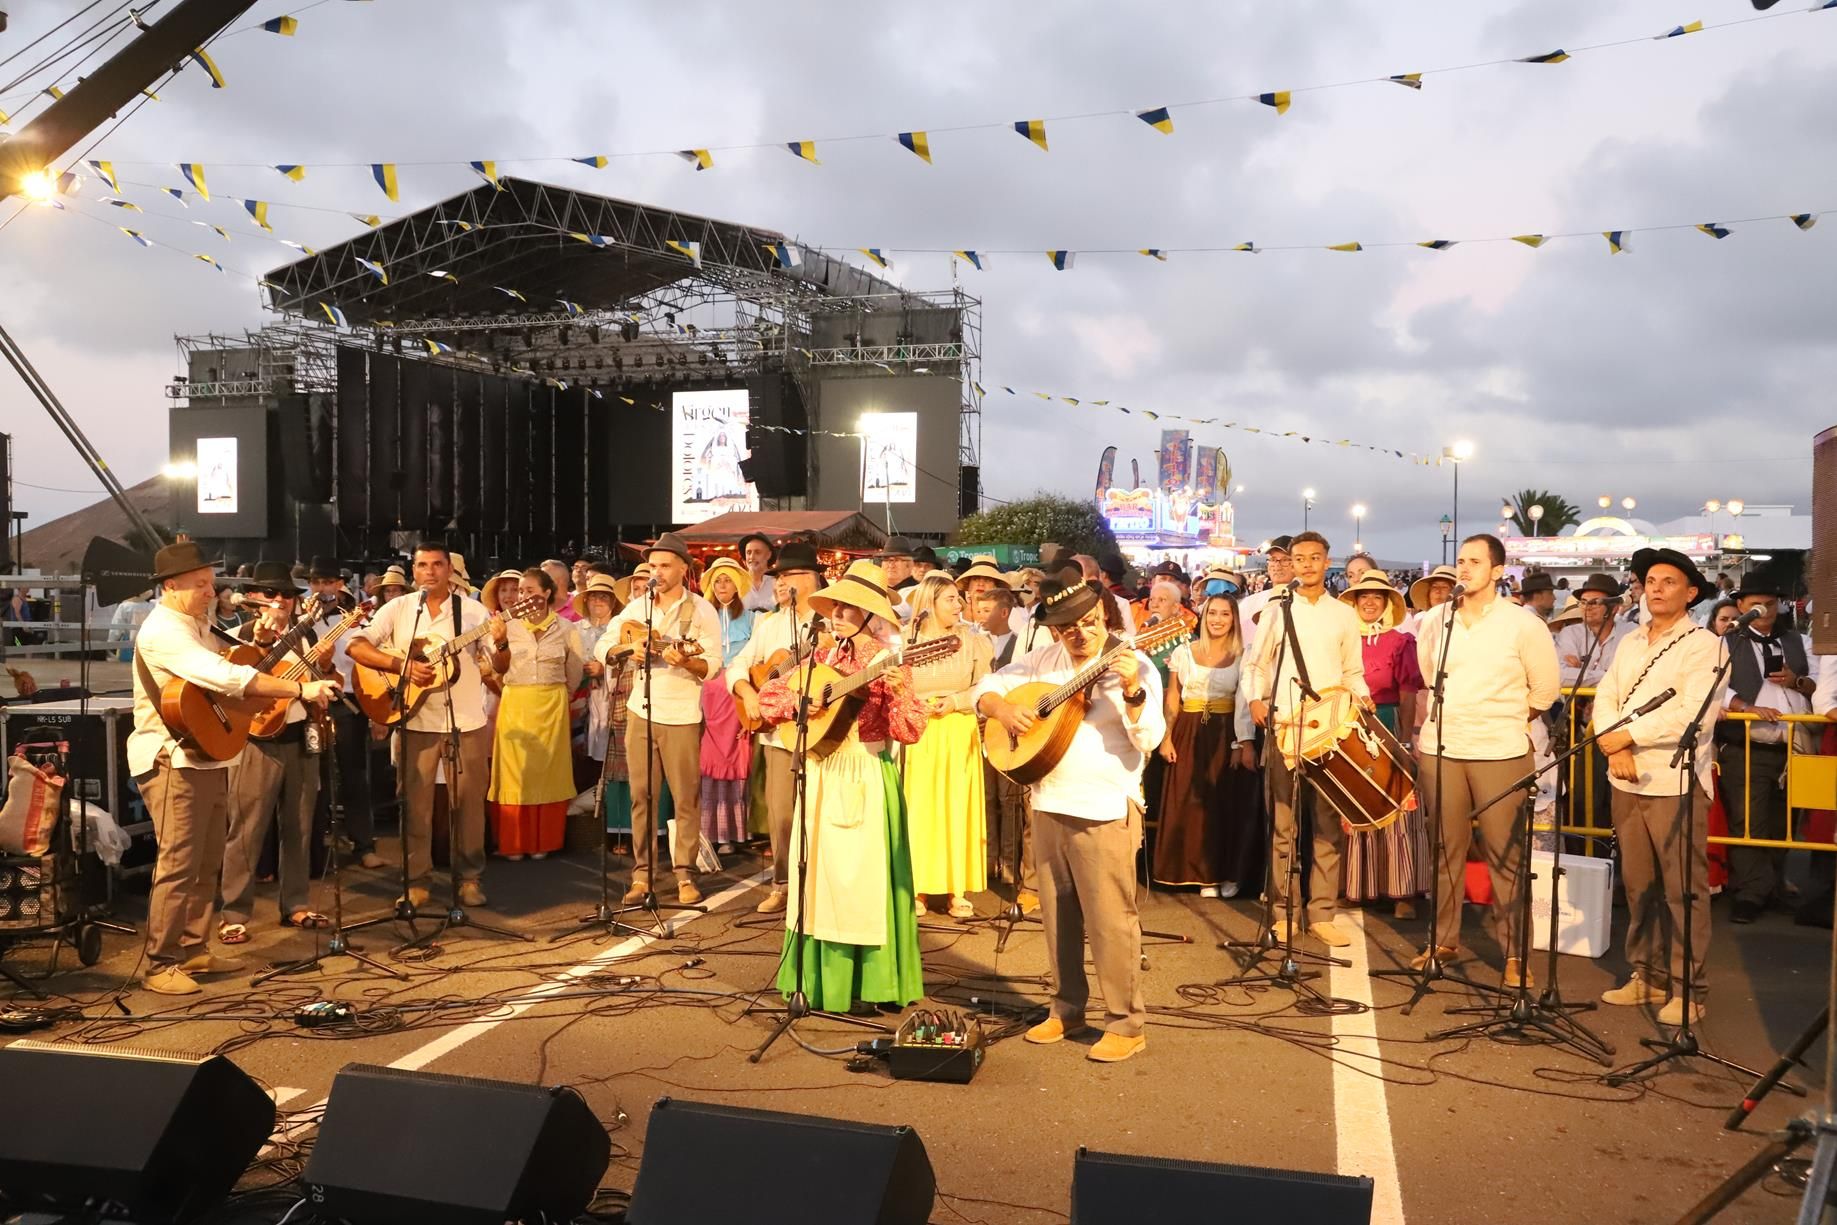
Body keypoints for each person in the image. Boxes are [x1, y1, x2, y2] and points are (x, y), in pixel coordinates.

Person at [130, 543, 340, 994]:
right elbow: (227, 678)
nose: (211, 591)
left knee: (205, 860)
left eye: (211, 582)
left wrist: (263, 642)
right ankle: (160, 961)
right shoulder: (164, 630)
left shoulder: (198, 623)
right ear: (171, 586)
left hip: (203, 752)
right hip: (171, 758)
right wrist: (300, 690)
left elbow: (237, 660)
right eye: (201, 584)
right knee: (179, 862)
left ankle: (192, 947)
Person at [978, 580, 1165, 1064]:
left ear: (1105, 616)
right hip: (1047, 800)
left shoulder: (1135, 663)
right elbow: (989, 686)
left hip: (1104, 807)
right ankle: (1066, 1010)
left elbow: (1148, 739)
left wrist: (1132, 691)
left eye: (1088, 623)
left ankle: (1126, 1024)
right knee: (1057, 916)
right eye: (1066, 627)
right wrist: (1003, 708)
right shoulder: (1044, 661)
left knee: (1109, 922)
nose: (1079, 634)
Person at [757, 561, 926, 1012]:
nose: (838, 613)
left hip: (864, 770)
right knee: (819, 879)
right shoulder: (825, 657)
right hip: (820, 770)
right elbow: (769, 698)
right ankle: (817, 978)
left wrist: (899, 692)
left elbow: (910, 730)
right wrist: (804, 700)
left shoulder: (886, 662)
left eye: (851, 608)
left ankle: (870, 982)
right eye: (836, 605)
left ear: (871, 615)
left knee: (858, 882)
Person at [1414, 534, 1561, 985]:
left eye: (1475, 561)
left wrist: (1506, 715)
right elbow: (1428, 673)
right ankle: (1444, 939)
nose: (1464, 568)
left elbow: (1546, 690)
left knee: (1505, 854)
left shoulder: (1523, 624)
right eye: (1460, 560)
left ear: (1498, 571)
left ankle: (1516, 954)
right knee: (1444, 849)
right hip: (1442, 747)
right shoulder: (1438, 619)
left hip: (1500, 750)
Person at [1594, 548, 1727, 1025]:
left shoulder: (1705, 645)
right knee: (1639, 885)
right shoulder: (1629, 641)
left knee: (1682, 891)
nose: (1655, 588)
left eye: (1668, 581)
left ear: (1691, 593)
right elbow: (1606, 695)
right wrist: (1617, 748)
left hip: (1675, 781)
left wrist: (1627, 735)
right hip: (1625, 777)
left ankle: (1688, 988)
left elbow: (1691, 712)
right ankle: (1646, 976)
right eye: (1650, 580)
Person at [349, 542, 498, 911]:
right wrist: (399, 665)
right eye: (422, 566)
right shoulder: (399, 609)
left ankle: (469, 878)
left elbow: (501, 665)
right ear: (413, 571)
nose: (429, 572)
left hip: (466, 722)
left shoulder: (474, 612)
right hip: (415, 721)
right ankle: (417, 881)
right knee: (415, 806)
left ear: (449, 570)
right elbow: (356, 646)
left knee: (469, 806)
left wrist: (504, 640)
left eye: (436, 565)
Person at [1244, 531, 1368, 949]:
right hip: (1285, 727)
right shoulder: (1276, 610)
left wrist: (1359, 698)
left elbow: (1353, 671)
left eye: (1315, 558)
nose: (1308, 565)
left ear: (1327, 561)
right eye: (1300, 559)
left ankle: (1322, 912)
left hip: (1331, 731)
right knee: (1284, 823)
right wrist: (1256, 701)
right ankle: (1283, 912)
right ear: (1291, 565)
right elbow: (1255, 664)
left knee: (1328, 825)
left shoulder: (1344, 614)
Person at [600, 533, 721, 905]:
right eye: (653, 566)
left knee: (685, 796)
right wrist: (629, 648)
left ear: (684, 568)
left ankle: (685, 872)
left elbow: (713, 665)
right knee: (642, 795)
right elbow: (603, 645)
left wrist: (687, 660)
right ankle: (643, 874)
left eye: (665, 565)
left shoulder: (701, 611)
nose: (658, 572)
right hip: (641, 710)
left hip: (683, 713)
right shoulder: (638, 609)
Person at [219, 562, 328, 943]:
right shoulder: (235, 637)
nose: (280, 600)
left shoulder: (306, 636)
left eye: (286, 594)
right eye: (271, 594)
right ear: (254, 599)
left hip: (300, 733)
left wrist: (326, 681)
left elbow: (313, 681)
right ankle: (233, 912)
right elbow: (230, 688)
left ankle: (296, 904)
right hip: (256, 739)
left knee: (299, 825)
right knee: (246, 828)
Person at [726, 540, 826, 914]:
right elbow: (738, 664)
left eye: (790, 575)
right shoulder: (770, 623)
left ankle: (819, 885)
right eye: (779, 576)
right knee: (781, 812)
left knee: (820, 810)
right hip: (775, 731)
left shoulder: (829, 623)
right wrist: (747, 693)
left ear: (813, 578)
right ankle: (782, 883)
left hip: (820, 730)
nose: (783, 583)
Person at [1719, 565, 1817, 923]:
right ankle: (1750, 891)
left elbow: (1820, 684)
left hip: (1794, 745)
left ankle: (1772, 885)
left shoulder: (1798, 641)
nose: (1766, 611)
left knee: (1784, 819)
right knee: (1748, 819)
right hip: (1747, 743)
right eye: (1758, 605)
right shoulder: (1724, 643)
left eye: (1772, 604)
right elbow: (1713, 690)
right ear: (1742, 604)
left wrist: (1797, 681)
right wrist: (1746, 707)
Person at [1153, 591, 1257, 897]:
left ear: (1234, 620)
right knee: (1188, 802)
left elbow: (1243, 700)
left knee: (1223, 803)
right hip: (1189, 729)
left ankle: (1225, 872)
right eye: (1213, 613)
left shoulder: (1243, 654)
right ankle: (1196, 874)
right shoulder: (1184, 652)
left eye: (1225, 614)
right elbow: (1173, 696)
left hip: (1227, 731)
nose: (1218, 620)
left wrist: (1241, 743)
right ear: (1204, 615)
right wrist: (1167, 735)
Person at [1339, 569, 1428, 918]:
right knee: (1354, 803)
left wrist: (1404, 738)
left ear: (1387, 603)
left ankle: (1402, 890)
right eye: (1364, 596)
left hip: (1386, 724)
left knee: (1398, 804)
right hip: (1348, 727)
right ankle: (1359, 886)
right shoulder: (1342, 640)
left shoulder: (1400, 642)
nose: (1370, 602)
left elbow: (1408, 693)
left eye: (1377, 596)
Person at [905, 573, 994, 919]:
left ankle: (957, 888)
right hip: (919, 732)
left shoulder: (973, 641)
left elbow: (986, 686)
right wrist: (915, 705)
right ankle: (919, 887)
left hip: (958, 730)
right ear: (929, 604)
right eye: (951, 600)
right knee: (921, 810)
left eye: (959, 599)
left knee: (957, 808)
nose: (959, 605)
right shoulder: (906, 641)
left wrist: (955, 701)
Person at [488, 567, 584, 861]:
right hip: (516, 701)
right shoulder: (508, 626)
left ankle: (545, 840)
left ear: (546, 593)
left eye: (529, 590)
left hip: (553, 703)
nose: (522, 596)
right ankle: (514, 842)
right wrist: (501, 641)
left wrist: (564, 696)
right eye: (520, 591)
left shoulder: (567, 629)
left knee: (548, 772)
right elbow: (498, 669)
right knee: (516, 773)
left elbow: (575, 671)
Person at [302, 557, 385, 870]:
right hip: (308, 702)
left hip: (349, 701)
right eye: (316, 583)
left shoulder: (356, 619)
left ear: (340, 584)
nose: (322, 589)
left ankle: (364, 844)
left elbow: (368, 662)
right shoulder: (301, 617)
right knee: (317, 779)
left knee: (354, 775)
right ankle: (317, 850)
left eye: (328, 583)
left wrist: (377, 711)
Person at [699, 556, 757, 855]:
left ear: (738, 585)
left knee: (737, 757)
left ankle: (735, 833)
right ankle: (711, 832)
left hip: (736, 692)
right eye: (717, 580)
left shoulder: (753, 619)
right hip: (708, 691)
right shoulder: (701, 617)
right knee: (709, 760)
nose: (722, 585)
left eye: (727, 580)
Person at [1555, 574, 1630, 689]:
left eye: (1595, 602)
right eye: (1583, 602)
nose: (1587, 607)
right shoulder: (1570, 633)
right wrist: (1611, 676)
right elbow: (1561, 675)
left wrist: (1580, 672)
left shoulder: (1630, 633)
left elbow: (1631, 675)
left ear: (1614, 608)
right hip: (1577, 705)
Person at [1238, 536, 1294, 645]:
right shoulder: (1249, 603)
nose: (1277, 565)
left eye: (1285, 560)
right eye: (1273, 559)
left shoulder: (1306, 603)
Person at [738, 533, 780, 613]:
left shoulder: (778, 583)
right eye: (748, 552)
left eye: (757, 552)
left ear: (768, 555)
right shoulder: (736, 584)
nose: (752, 557)